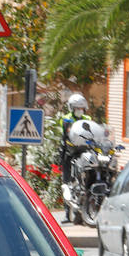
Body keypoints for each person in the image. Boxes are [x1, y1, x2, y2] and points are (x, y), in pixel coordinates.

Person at [58, 94, 91, 222]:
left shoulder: (87, 118)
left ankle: (83, 211)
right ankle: (67, 214)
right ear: (72, 108)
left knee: (86, 180)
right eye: (77, 108)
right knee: (67, 182)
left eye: (81, 108)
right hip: (70, 152)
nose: (79, 110)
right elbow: (67, 133)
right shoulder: (66, 119)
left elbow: (92, 132)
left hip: (84, 152)